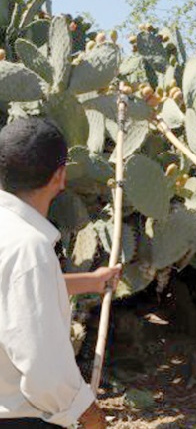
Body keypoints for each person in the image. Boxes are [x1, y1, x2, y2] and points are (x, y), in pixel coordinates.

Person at [0, 118, 119, 428]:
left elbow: (15, 292)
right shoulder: (29, 247)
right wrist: (92, 418)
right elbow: (45, 373)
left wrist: (90, 282)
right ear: (60, 176)